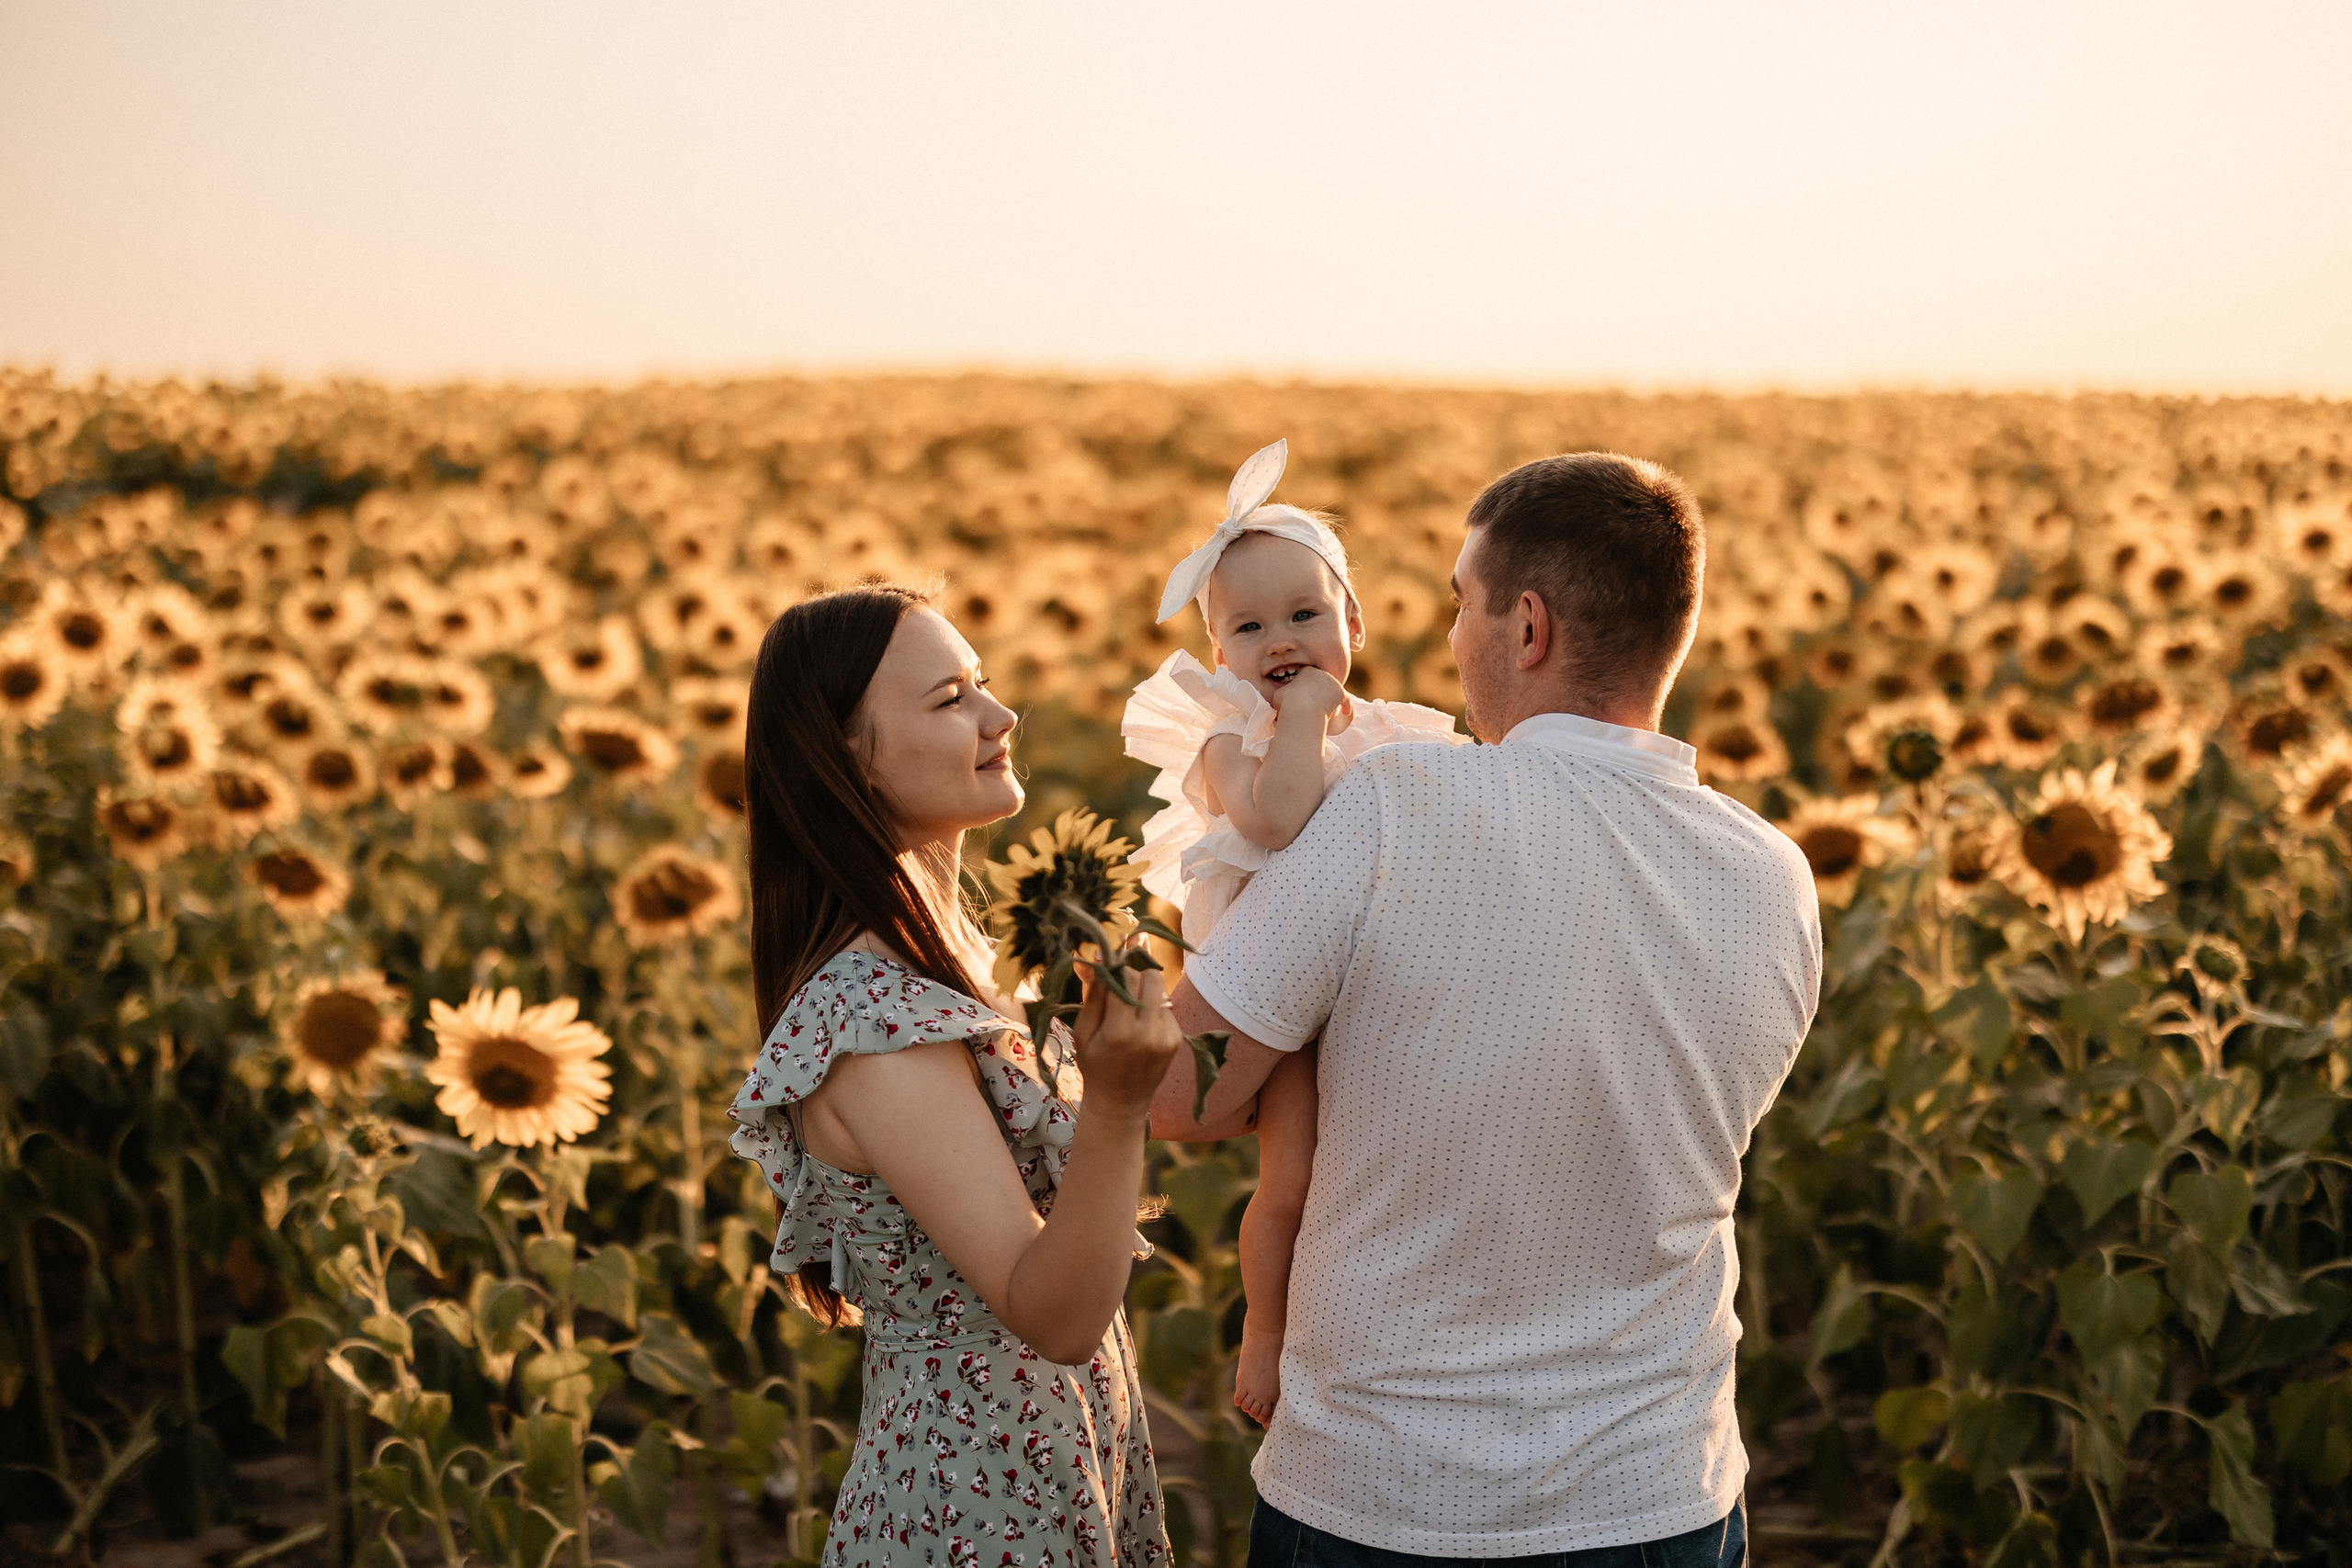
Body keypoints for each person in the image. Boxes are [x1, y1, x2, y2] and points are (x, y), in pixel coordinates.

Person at [1152, 455, 1822, 1568]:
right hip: (1662, 1495)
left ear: (1528, 627)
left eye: (1463, 601)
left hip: (1386, 1493)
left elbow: (1187, 1091)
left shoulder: (1392, 805)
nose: (1452, 634)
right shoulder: (1773, 874)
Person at [726, 584, 1180, 1568]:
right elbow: (1050, 1313)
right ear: (850, 757)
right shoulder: (876, 1022)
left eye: (982, 684)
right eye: (949, 699)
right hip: (975, 1507)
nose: (1000, 716)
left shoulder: (950, 963)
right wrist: (1116, 1103)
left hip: (1041, 1466)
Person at [1119, 438, 1465, 1424]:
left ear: (1353, 620)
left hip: (1377, 981)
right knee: (1294, 1179)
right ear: (1217, 652)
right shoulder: (1229, 738)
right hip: (1272, 988)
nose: (1282, 641)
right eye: (1249, 626)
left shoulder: (1389, 730)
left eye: (1306, 615)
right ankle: (1267, 1344)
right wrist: (1306, 716)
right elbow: (1278, 823)